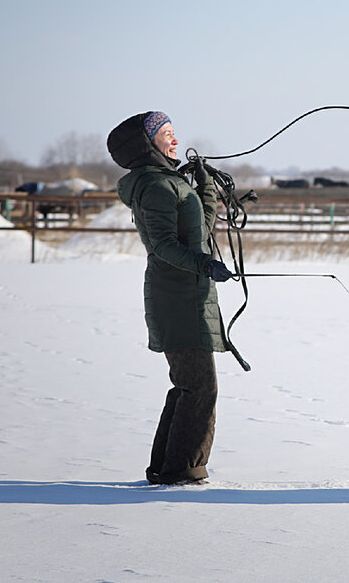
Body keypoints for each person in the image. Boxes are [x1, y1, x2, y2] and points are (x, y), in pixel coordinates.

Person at [107, 111, 235, 485]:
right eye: (166, 134)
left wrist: (205, 187)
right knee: (199, 387)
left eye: (174, 133)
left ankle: (169, 467)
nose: (175, 141)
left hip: (189, 294)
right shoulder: (158, 186)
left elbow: (200, 229)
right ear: (148, 145)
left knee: (189, 385)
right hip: (177, 298)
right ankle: (180, 471)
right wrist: (204, 264)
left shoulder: (170, 182)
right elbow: (163, 244)